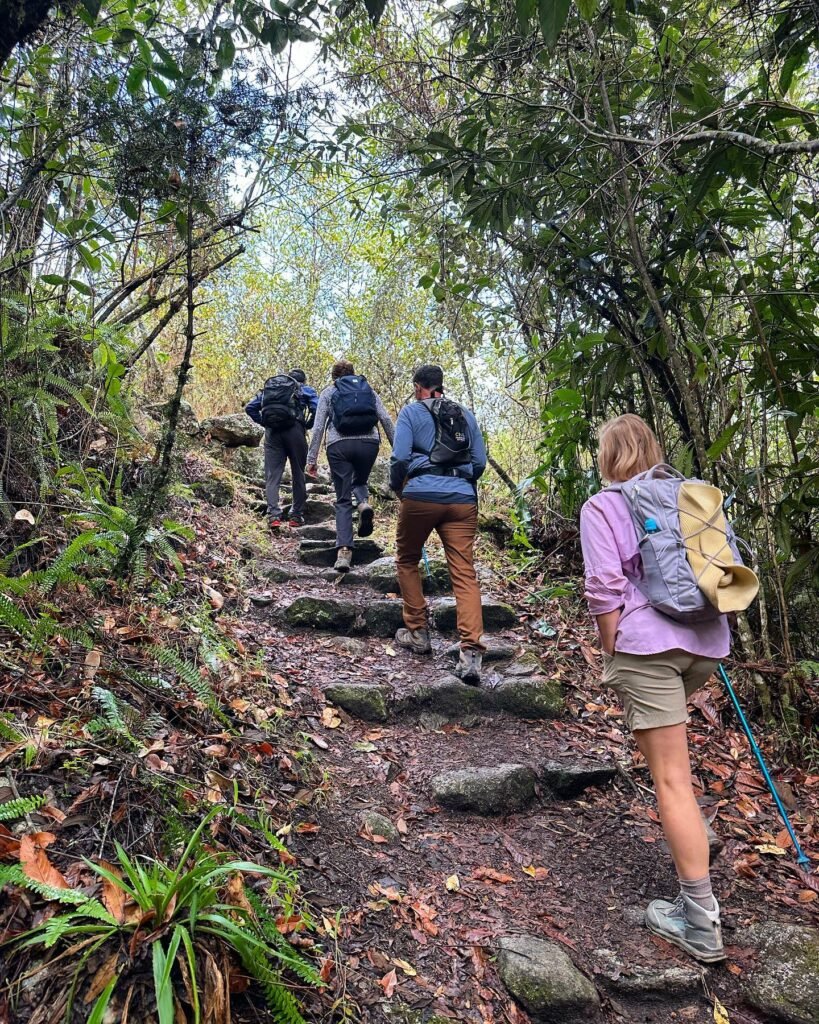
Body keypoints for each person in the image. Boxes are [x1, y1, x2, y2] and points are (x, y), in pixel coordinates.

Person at [579, 413, 733, 964]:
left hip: (648, 647)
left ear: (608, 455)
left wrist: (611, 644)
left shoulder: (604, 505)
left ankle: (699, 920)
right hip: (707, 646)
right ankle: (697, 878)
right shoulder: (692, 497)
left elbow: (604, 585)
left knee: (672, 781)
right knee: (674, 772)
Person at [389, 364, 487, 684]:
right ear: (440, 386)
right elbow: (479, 462)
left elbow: (400, 457)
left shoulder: (410, 412)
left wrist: (398, 487)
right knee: (463, 571)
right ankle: (471, 651)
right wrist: (460, 482)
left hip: (420, 495)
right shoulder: (464, 414)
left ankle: (418, 633)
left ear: (419, 387)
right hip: (462, 501)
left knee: (406, 558)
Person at [306, 360, 395, 572]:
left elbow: (318, 427)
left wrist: (311, 460)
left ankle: (344, 552)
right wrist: (399, 450)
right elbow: (385, 419)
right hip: (369, 444)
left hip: (339, 445)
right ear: (353, 374)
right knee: (360, 480)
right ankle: (363, 502)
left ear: (334, 377)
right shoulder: (368, 390)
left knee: (343, 499)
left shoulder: (329, 392)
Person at [245, 368, 318, 530]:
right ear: (303, 381)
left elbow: (250, 408)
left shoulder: (270, 390)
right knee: (298, 473)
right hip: (295, 431)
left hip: (272, 434)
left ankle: (273, 516)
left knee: (272, 475)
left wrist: (265, 423)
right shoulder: (305, 390)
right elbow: (316, 408)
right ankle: (296, 516)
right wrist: (308, 424)